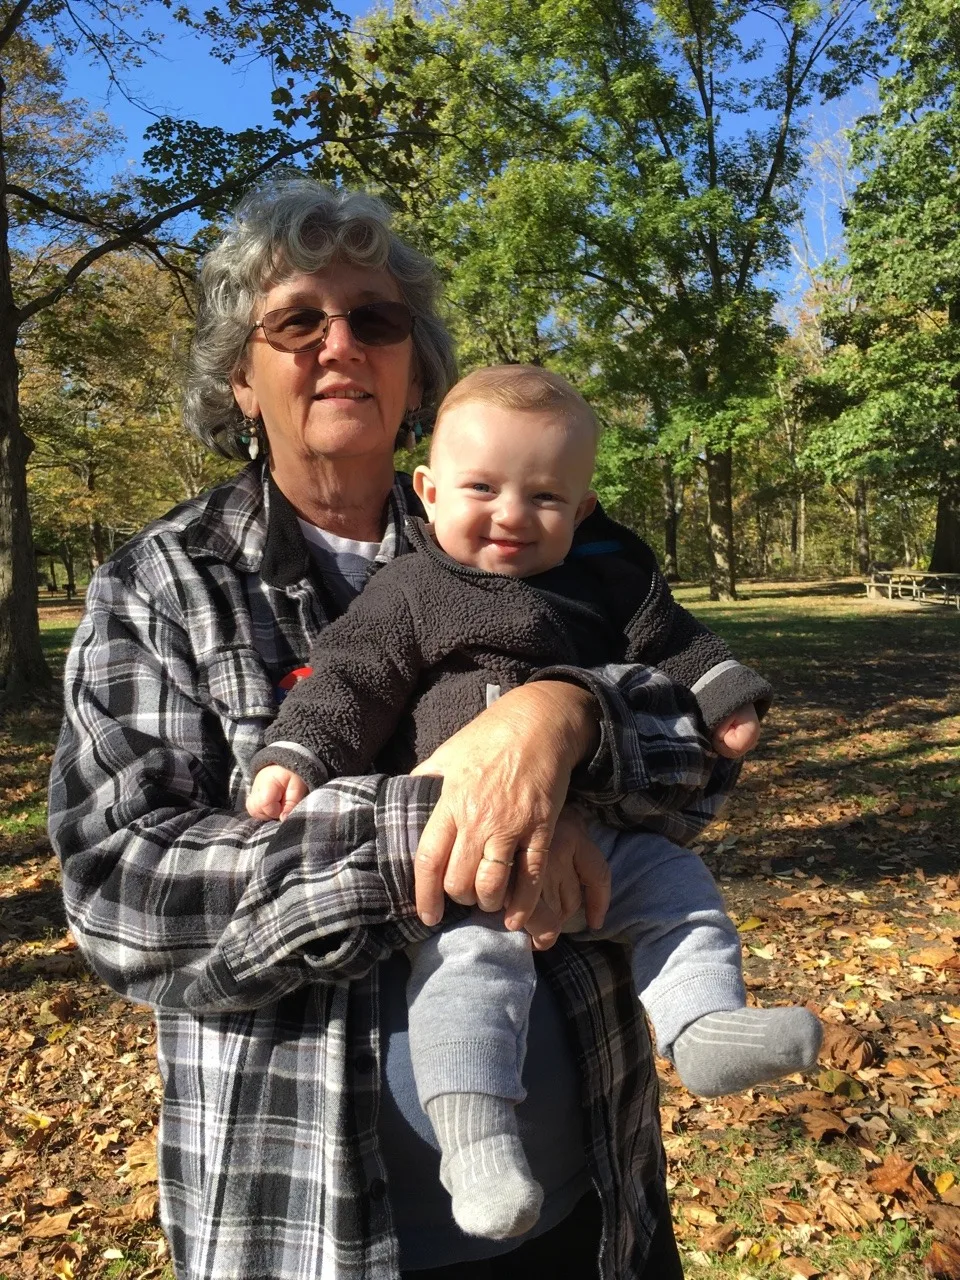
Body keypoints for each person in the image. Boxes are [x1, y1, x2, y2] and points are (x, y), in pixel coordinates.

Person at [49, 177, 743, 1280]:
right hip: (310, 1221)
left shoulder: (538, 531)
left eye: (374, 319)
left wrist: (562, 718)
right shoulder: (158, 588)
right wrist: (456, 817)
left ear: (414, 364)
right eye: (296, 321)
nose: (340, 344)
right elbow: (125, 891)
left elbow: (703, 757)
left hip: (588, 1192)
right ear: (240, 375)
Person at [247, 364, 822, 1241]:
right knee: (470, 968)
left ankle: (703, 1027)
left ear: (582, 511)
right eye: (483, 489)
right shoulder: (409, 590)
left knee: (678, 889)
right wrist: (299, 750)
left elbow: (674, 644)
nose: (513, 515)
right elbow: (350, 681)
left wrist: (722, 691)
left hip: (598, 834)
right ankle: (475, 1142)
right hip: (459, 844)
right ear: (430, 494)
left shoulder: (604, 584)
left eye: (546, 498)